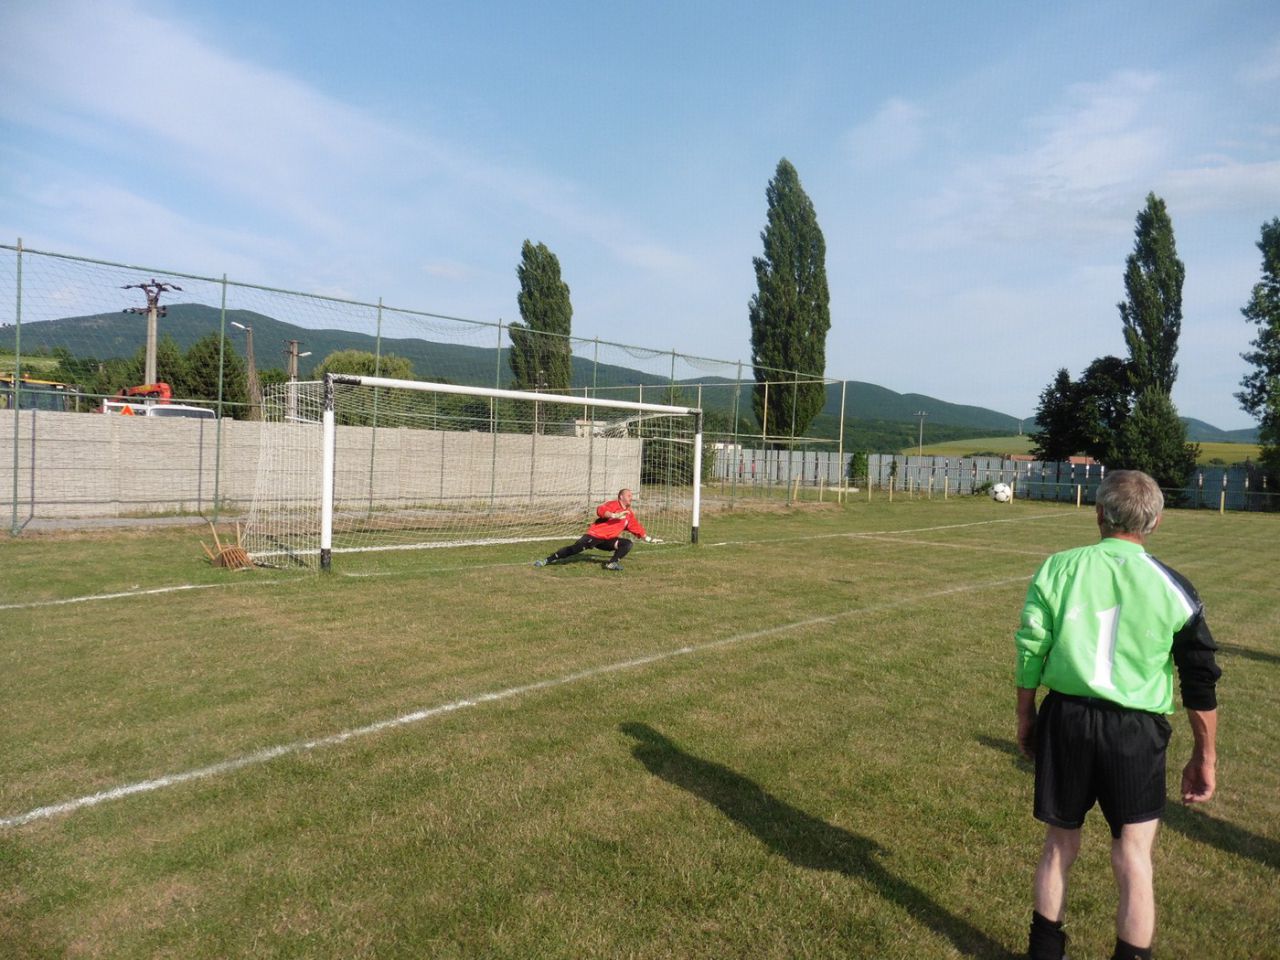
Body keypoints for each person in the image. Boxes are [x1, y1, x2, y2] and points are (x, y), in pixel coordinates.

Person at [1014, 469, 1220, 960]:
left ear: (1099, 514)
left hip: (1067, 718)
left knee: (1059, 843)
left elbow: (1031, 646)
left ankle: (1044, 952)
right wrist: (1205, 755)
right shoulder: (1174, 587)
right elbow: (1199, 680)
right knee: (1133, 853)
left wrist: (1026, 715)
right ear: (1156, 522)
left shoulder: (1058, 567)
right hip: (1135, 731)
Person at [534, 488, 659, 571]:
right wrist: (614, 515)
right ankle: (548, 560)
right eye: (629, 495)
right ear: (621, 496)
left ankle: (612, 563)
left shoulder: (629, 513)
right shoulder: (613, 505)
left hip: (608, 541)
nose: (631, 497)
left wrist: (649, 539)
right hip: (595, 536)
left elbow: (636, 528)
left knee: (627, 544)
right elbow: (600, 510)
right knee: (575, 549)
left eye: (631, 496)